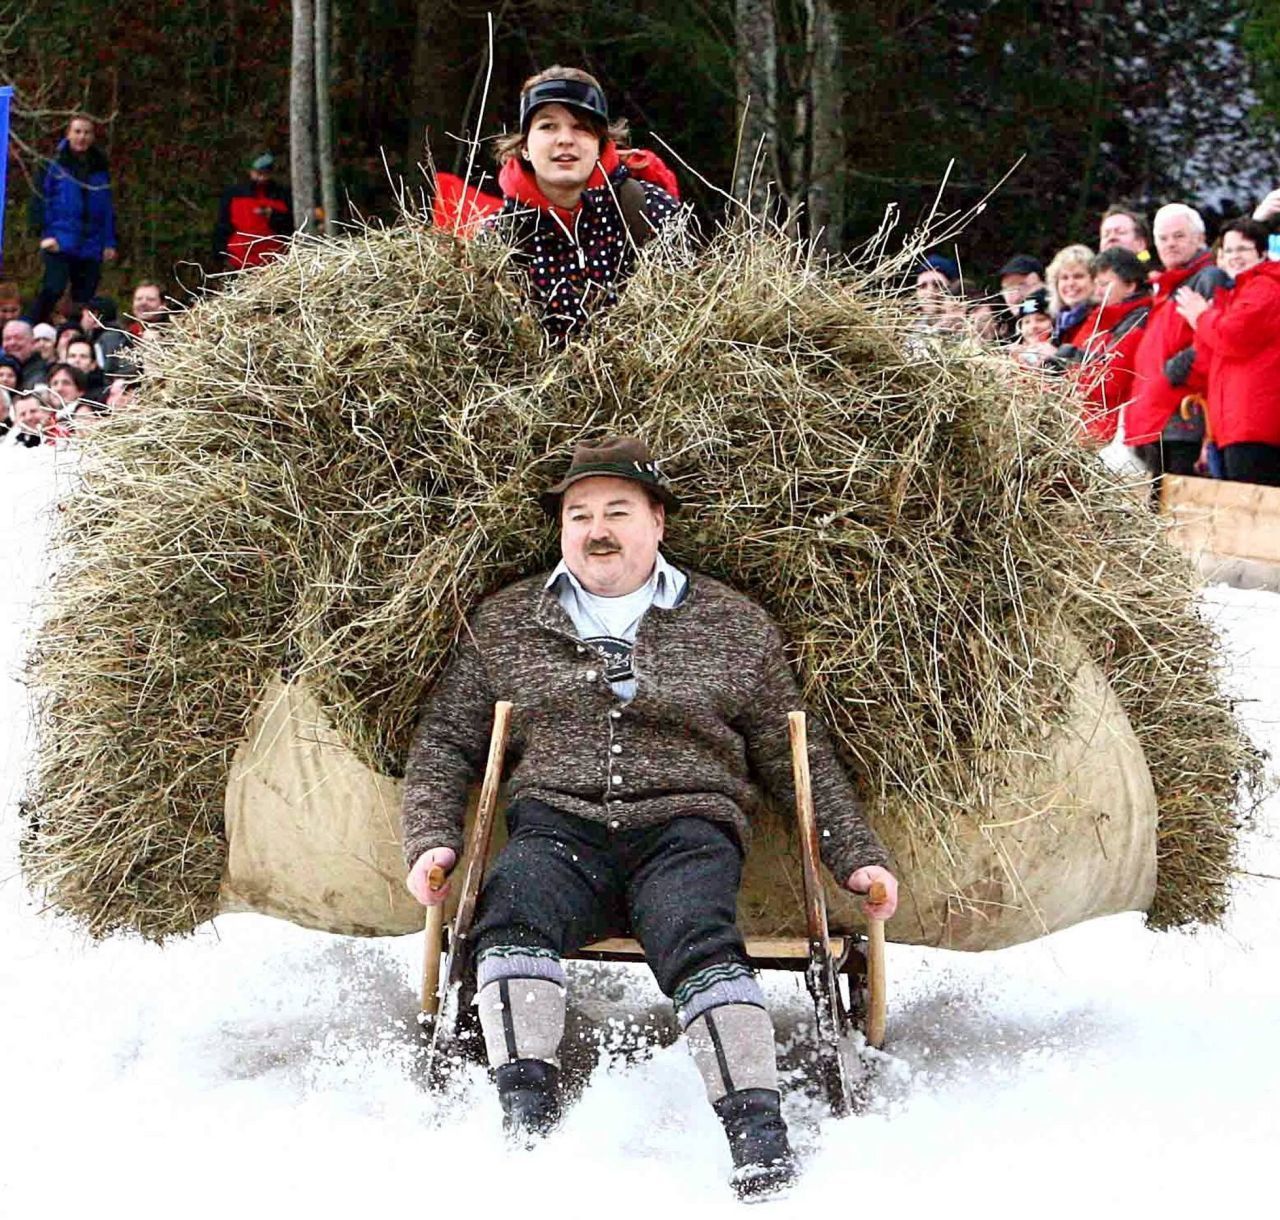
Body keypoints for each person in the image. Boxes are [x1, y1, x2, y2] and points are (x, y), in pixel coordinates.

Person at [402, 436, 898, 1199]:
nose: (597, 530)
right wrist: (431, 839)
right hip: (557, 826)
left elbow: (794, 755)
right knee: (514, 908)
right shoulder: (506, 621)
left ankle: (759, 1139)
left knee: (696, 929)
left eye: (617, 512)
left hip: (685, 827)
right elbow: (446, 740)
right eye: (579, 515)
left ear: (657, 522)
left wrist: (855, 856)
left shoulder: (734, 625)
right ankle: (524, 1125)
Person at [486, 67, 681, 343]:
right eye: (547, 126)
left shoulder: (652, 210)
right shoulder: (496, 239)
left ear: (601, 143)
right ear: (525, 146)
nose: (565, 139)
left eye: (581, 127)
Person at [1125, 204, 1230, 488]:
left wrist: (1174, 374)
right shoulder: (1165, 289)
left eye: (1179, 236)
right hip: (1155, 422)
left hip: (1183, 421)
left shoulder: (1208, 278)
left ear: (1200, 238)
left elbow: (1214, 344)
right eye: (1164, 238)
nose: (1170, 244)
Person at [1177, 218, 1280, 486]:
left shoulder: (1266, 287)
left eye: (1243, 249)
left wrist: (1201, 316)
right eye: (1229, 250)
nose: (1235, 257)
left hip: (1256, 425)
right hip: (1232, 427)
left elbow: (1233, 337)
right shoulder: (1236, 295)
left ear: (1262, 253)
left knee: (1255, 513)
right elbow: (1208, 357)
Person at [1056, 248, 1151, 445]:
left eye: (1104, 284)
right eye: (1097, 284)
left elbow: (1109, 382)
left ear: (1130, 286)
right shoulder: (1101, 317)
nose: (1098, 291)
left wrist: (1065, 360)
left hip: (1107, 432)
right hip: (1086, 428)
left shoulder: (1137, 321)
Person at [33, 115, 118, 324]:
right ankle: (33, 325)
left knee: (85, 296)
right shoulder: (52, 165)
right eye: (77, 131)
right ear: (68, 134)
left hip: (92, 242)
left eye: (87, 132)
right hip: (60, 239)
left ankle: (76, 335)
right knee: (53, 287)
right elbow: (40, 201)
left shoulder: (100, 167)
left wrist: (109, 242)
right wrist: (46, 234)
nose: (82, 137)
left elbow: (107, 208)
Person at [212, 152, 295, 271]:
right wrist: (220, 257)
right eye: (259, 173)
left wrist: (273, 215)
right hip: (238, 263)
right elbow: (223, 227)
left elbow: (290, 228)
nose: (262, 178)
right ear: (250, 171)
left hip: (275, 265)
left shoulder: (283, 195)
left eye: (266, 173)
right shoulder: (234, 194)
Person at [1045, 244, 1095, 345]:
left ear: (1094, 280)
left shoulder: (1100, 320)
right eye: (1064, 278)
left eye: (1078, 276)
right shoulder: (1058, 324)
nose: (1071, 283)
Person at [995, 254, 1046, 341]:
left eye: (1020, 285)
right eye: (1006, 289)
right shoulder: (1005, 332)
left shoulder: (1059, 321)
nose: (1013, 297)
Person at [1008, 288, 1057, 368]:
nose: (1033, 326)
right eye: (1027, 322)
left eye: (1041, 320)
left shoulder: (1061, 351)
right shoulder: (1012, 357)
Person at [2, 320, 50, 390]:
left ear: (32, 343)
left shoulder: (43, 371)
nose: (12, 343)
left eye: (18, 338)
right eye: (7, 339)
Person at [64, 338, 109, 404]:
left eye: (83, 356)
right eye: (72, 356)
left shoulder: (102, 394)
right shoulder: (57, 386)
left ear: (93, 364)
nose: (77, 360)